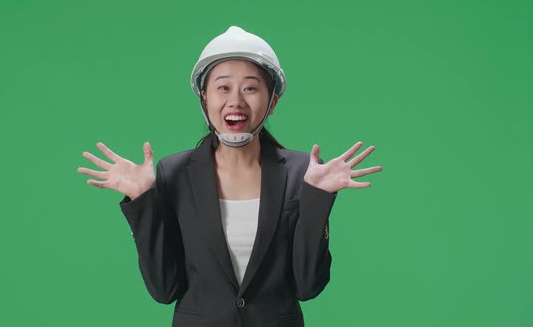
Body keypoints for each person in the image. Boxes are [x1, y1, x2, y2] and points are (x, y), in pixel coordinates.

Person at [77, 26, 382, 327]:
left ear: (272, 102)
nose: (236, 100)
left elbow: (307, 287)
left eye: (250, 87)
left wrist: (318, 200)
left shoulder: (304, 173)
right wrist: (142, 200)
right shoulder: (174, 173)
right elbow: (164, 288)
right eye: (223, 87)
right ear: (204, 99)